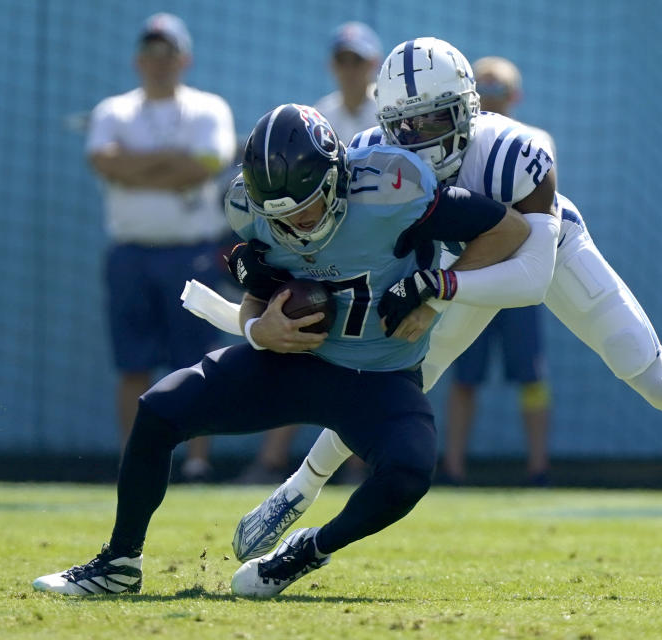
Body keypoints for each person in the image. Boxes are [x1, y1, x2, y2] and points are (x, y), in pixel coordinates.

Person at [234, 37, 662, 559]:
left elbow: (530, 276)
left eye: (434, 120)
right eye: (405, 127)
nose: (417, 140)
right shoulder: (372, 158)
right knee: (389, 378)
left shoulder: (514, 153)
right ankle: (295, 493)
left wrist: (438, 289)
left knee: (652, 374)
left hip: (547, 255)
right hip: (451, 270)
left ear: (468, 109)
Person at [32, 103, 537, 597]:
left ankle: (307, 551)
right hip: (289, 363)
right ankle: (119, 563)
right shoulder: (247, 206)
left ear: (337, 178)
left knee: (407, 474)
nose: (297, 225)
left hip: (378, 378)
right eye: (283, 218)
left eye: (307, 207)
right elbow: (259, 294)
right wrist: (258, 330)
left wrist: (440, 288)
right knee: (159, 409)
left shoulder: (390, 189)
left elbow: (509, 230)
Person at [85, 13, 236, 481]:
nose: (159, 62)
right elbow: (102, 161)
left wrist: (135, 167)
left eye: (168, 53)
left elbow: (206, 165)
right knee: (133, 363)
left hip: (190, 253)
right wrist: (171, 162)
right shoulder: (113, 110)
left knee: (195, 364)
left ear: (184, 59)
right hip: (131, 252)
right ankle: (135, 461)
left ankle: (195, 462)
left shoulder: (208, 108)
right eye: (151, 53)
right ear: (137, 60)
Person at [235, 21, 384, 486]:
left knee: (369, 358)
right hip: (315, 249)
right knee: (302, 343)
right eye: (342, 60)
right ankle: (274, 460)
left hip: (373, 252)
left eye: (356, 60)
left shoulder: (386, 114)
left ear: (373, 65)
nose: (349, 69)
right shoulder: (319, 114)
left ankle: (362, 466)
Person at [442, 56, 554, 486]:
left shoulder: (534, 140)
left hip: (522, 272)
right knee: (463, 375)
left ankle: (539, 469)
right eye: (483, 91)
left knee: (532, 375)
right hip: (473, 271)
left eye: (498, 91)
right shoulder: (459, 143)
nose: (491, 99)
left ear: (515, 97)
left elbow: (526, 210)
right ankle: (453, 469)